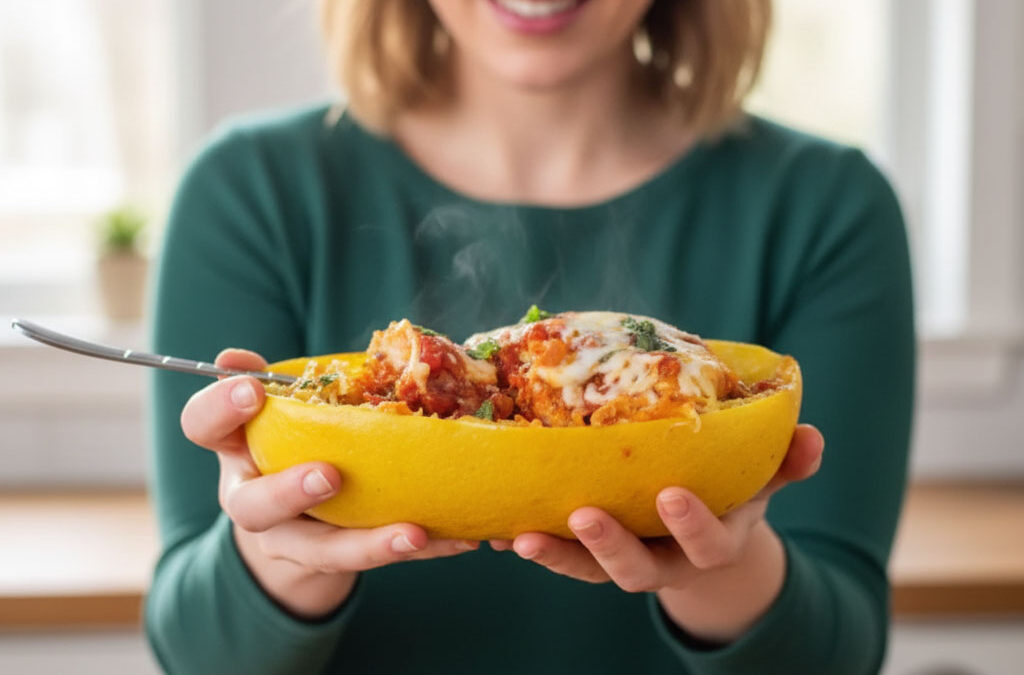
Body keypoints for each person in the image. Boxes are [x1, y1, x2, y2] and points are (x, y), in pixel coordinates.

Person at [145, 0, 915, 673]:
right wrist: (281, 552)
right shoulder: (250, 192)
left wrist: (716, 569)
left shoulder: (827, 208)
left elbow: (839, 654)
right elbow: (195, 653)